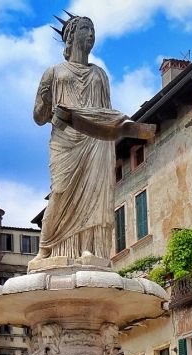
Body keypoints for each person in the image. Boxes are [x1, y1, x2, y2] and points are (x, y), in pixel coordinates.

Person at [31, 14, 153, 262]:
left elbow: (104, 113)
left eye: (93, 30)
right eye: (86, 29)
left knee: (95, 195)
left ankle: (89, 249)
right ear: (71, 35)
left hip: (96, 141)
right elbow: (38, 117)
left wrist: (121, 124)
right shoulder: (53, 73)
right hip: (65, 140)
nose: (91, 35)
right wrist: (46, 100)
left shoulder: (99, 74)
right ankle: (46, 249)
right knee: (61, 191)